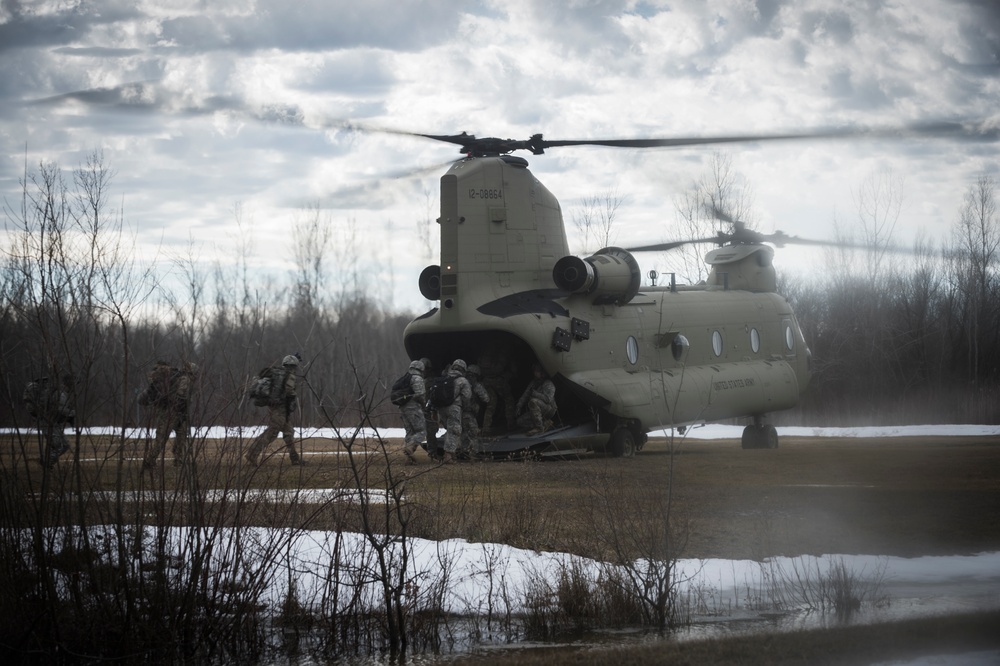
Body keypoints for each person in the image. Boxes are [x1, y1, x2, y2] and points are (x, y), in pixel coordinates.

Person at [246, 353, 304, 465]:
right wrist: (292, 399)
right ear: (294, 366)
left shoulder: (277, 373)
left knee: (288, 432)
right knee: (272, 432)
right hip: (280, 408)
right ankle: (252, 454)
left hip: (275, 406)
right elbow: (289, 390)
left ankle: (295, 459)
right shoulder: (289, 375)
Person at [140, 361, 197, 469]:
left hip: (171, 412)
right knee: (164, 438)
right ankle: (150, 461)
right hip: (173, 413)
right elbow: (180, 398)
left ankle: (178, 460)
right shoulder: (185, 380)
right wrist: (181, 414)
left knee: (178, 436)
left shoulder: (177, 378)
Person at [23, 372, 75, 469]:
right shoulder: (62, 394)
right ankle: (46, 463)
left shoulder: (59, 392)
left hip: (51, 422)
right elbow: (61, 410)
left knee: (62, 445)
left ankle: (47, 462)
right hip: (48, 422)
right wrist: (72, 413)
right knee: (60, 446)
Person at [437, 359, 472, 464]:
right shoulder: (463, 381)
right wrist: (465, 407)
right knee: (455, 430)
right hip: (454, 408)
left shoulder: (444, 378)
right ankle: (448, 455)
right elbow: (467, 397)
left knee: (449, 430)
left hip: (441, 408)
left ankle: (452, 455)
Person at [398, 359, 427, 464]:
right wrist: (424, 405)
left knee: (410, 432)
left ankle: (409, 459)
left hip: (402, 408)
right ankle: (410, 448)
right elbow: (420, 394)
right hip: (413, 407)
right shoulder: (417, 378)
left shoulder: (404, 378)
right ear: (421, 369)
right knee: (422, 431)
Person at [479, 350, 515, 434]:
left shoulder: (483, 357)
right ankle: (510, 423)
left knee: (491, 404)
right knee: (509, 400)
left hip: (486, 381)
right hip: (498, 381)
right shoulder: (500, 355)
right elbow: (502, 368)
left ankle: (486, 427)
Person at [516, 363, 557, 435]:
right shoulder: (534, 383)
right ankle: (545, 423)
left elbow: (548, 400)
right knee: (520, 422)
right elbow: (526, 394)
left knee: (533, 401)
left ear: (542, 372)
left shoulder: (548, 383)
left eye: (537, 371)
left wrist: (536, 394)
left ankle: (539, 428)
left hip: (549, 409)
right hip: (537, 411)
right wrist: (519, 405)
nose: (535, 373)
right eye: (535, 371)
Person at [461, 364, 491, 458]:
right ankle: (473, 454)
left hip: (456, 412)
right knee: (473, 434)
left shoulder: (460, 381)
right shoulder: (475, 384)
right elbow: (486, 398)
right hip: (468, 413)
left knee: (463, 433)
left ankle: (463, 453)